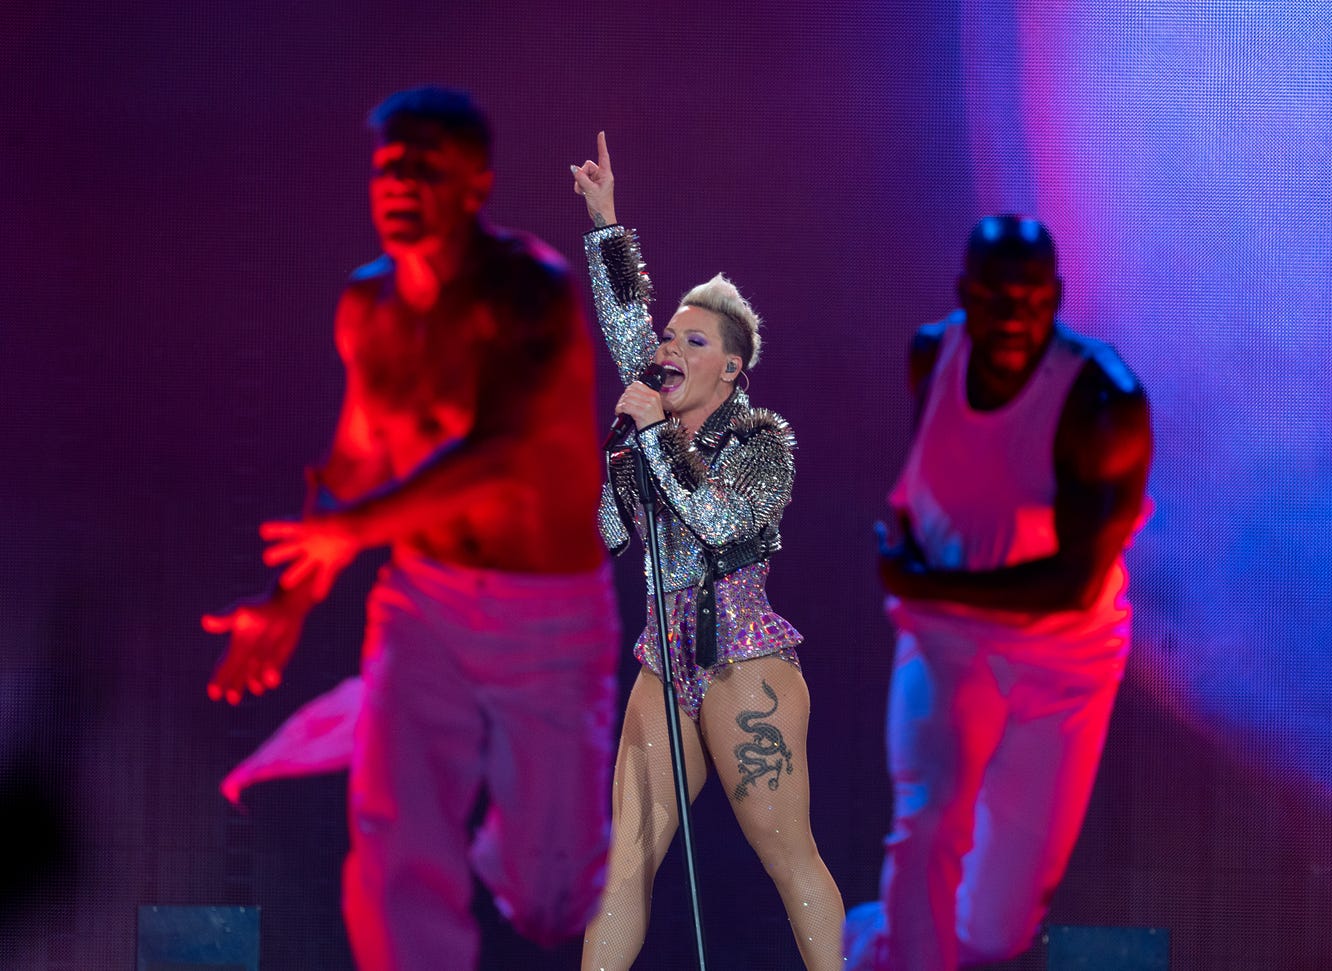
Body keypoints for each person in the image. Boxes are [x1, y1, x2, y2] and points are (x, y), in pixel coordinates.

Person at [201, 87, 620, 971]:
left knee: (552, 903)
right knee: (394, 849)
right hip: (421, 600)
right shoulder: (368, 308)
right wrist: (289, 602)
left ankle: (397, 720)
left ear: (477, 184)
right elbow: (354, 463)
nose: (399, 181)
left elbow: (501, 451)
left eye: (425, 165)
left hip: (545, 617)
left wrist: (350, 532)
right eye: (388, 165)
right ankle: (396, 718)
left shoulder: (528, 289)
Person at [843, 215, 1153, 970]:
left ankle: (867, 941)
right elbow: (943, 484)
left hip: (1062, 660)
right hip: (945, 637)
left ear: (1057, 297)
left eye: (1032, 299)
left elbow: (1074, 584)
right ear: (964, 295)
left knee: (993, 928)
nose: (1013, 318)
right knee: (927, 828)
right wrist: (922, 578)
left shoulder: (1103, 403)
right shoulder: (930, 356)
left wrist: (924, 578)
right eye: (994, 298)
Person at [568, 133, 845, 971]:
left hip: (742, 662)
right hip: (664, 663)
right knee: (623, 862)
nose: (668, 351)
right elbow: (625, 328)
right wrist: (608, 222)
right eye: (669, 340)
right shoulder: (652, 427)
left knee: (785, 851)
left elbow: (719, 522)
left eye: (693, 343)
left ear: (731, 368)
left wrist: (651, 444)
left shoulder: (761, 442)